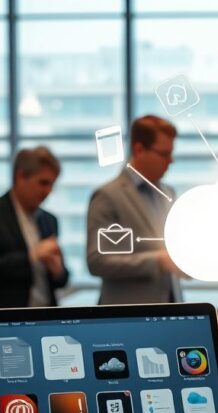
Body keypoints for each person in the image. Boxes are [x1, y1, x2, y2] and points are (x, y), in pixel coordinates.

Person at [87, 115, 184, 305]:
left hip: (171, 310)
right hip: (128, 316)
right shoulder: (107, 196)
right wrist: (156, 260)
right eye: (164, 154)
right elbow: (97, 261)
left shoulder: (168, 193)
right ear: (139, 149)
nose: (171, 161)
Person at [0, 146, 69, 309]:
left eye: (52, 185)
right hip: (2, 321)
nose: (48, 191)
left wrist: (58, 270)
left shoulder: (49, 220)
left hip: (45, 320)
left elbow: (61, 280)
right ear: (20, 176)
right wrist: (30, 256)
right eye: (43, 182)